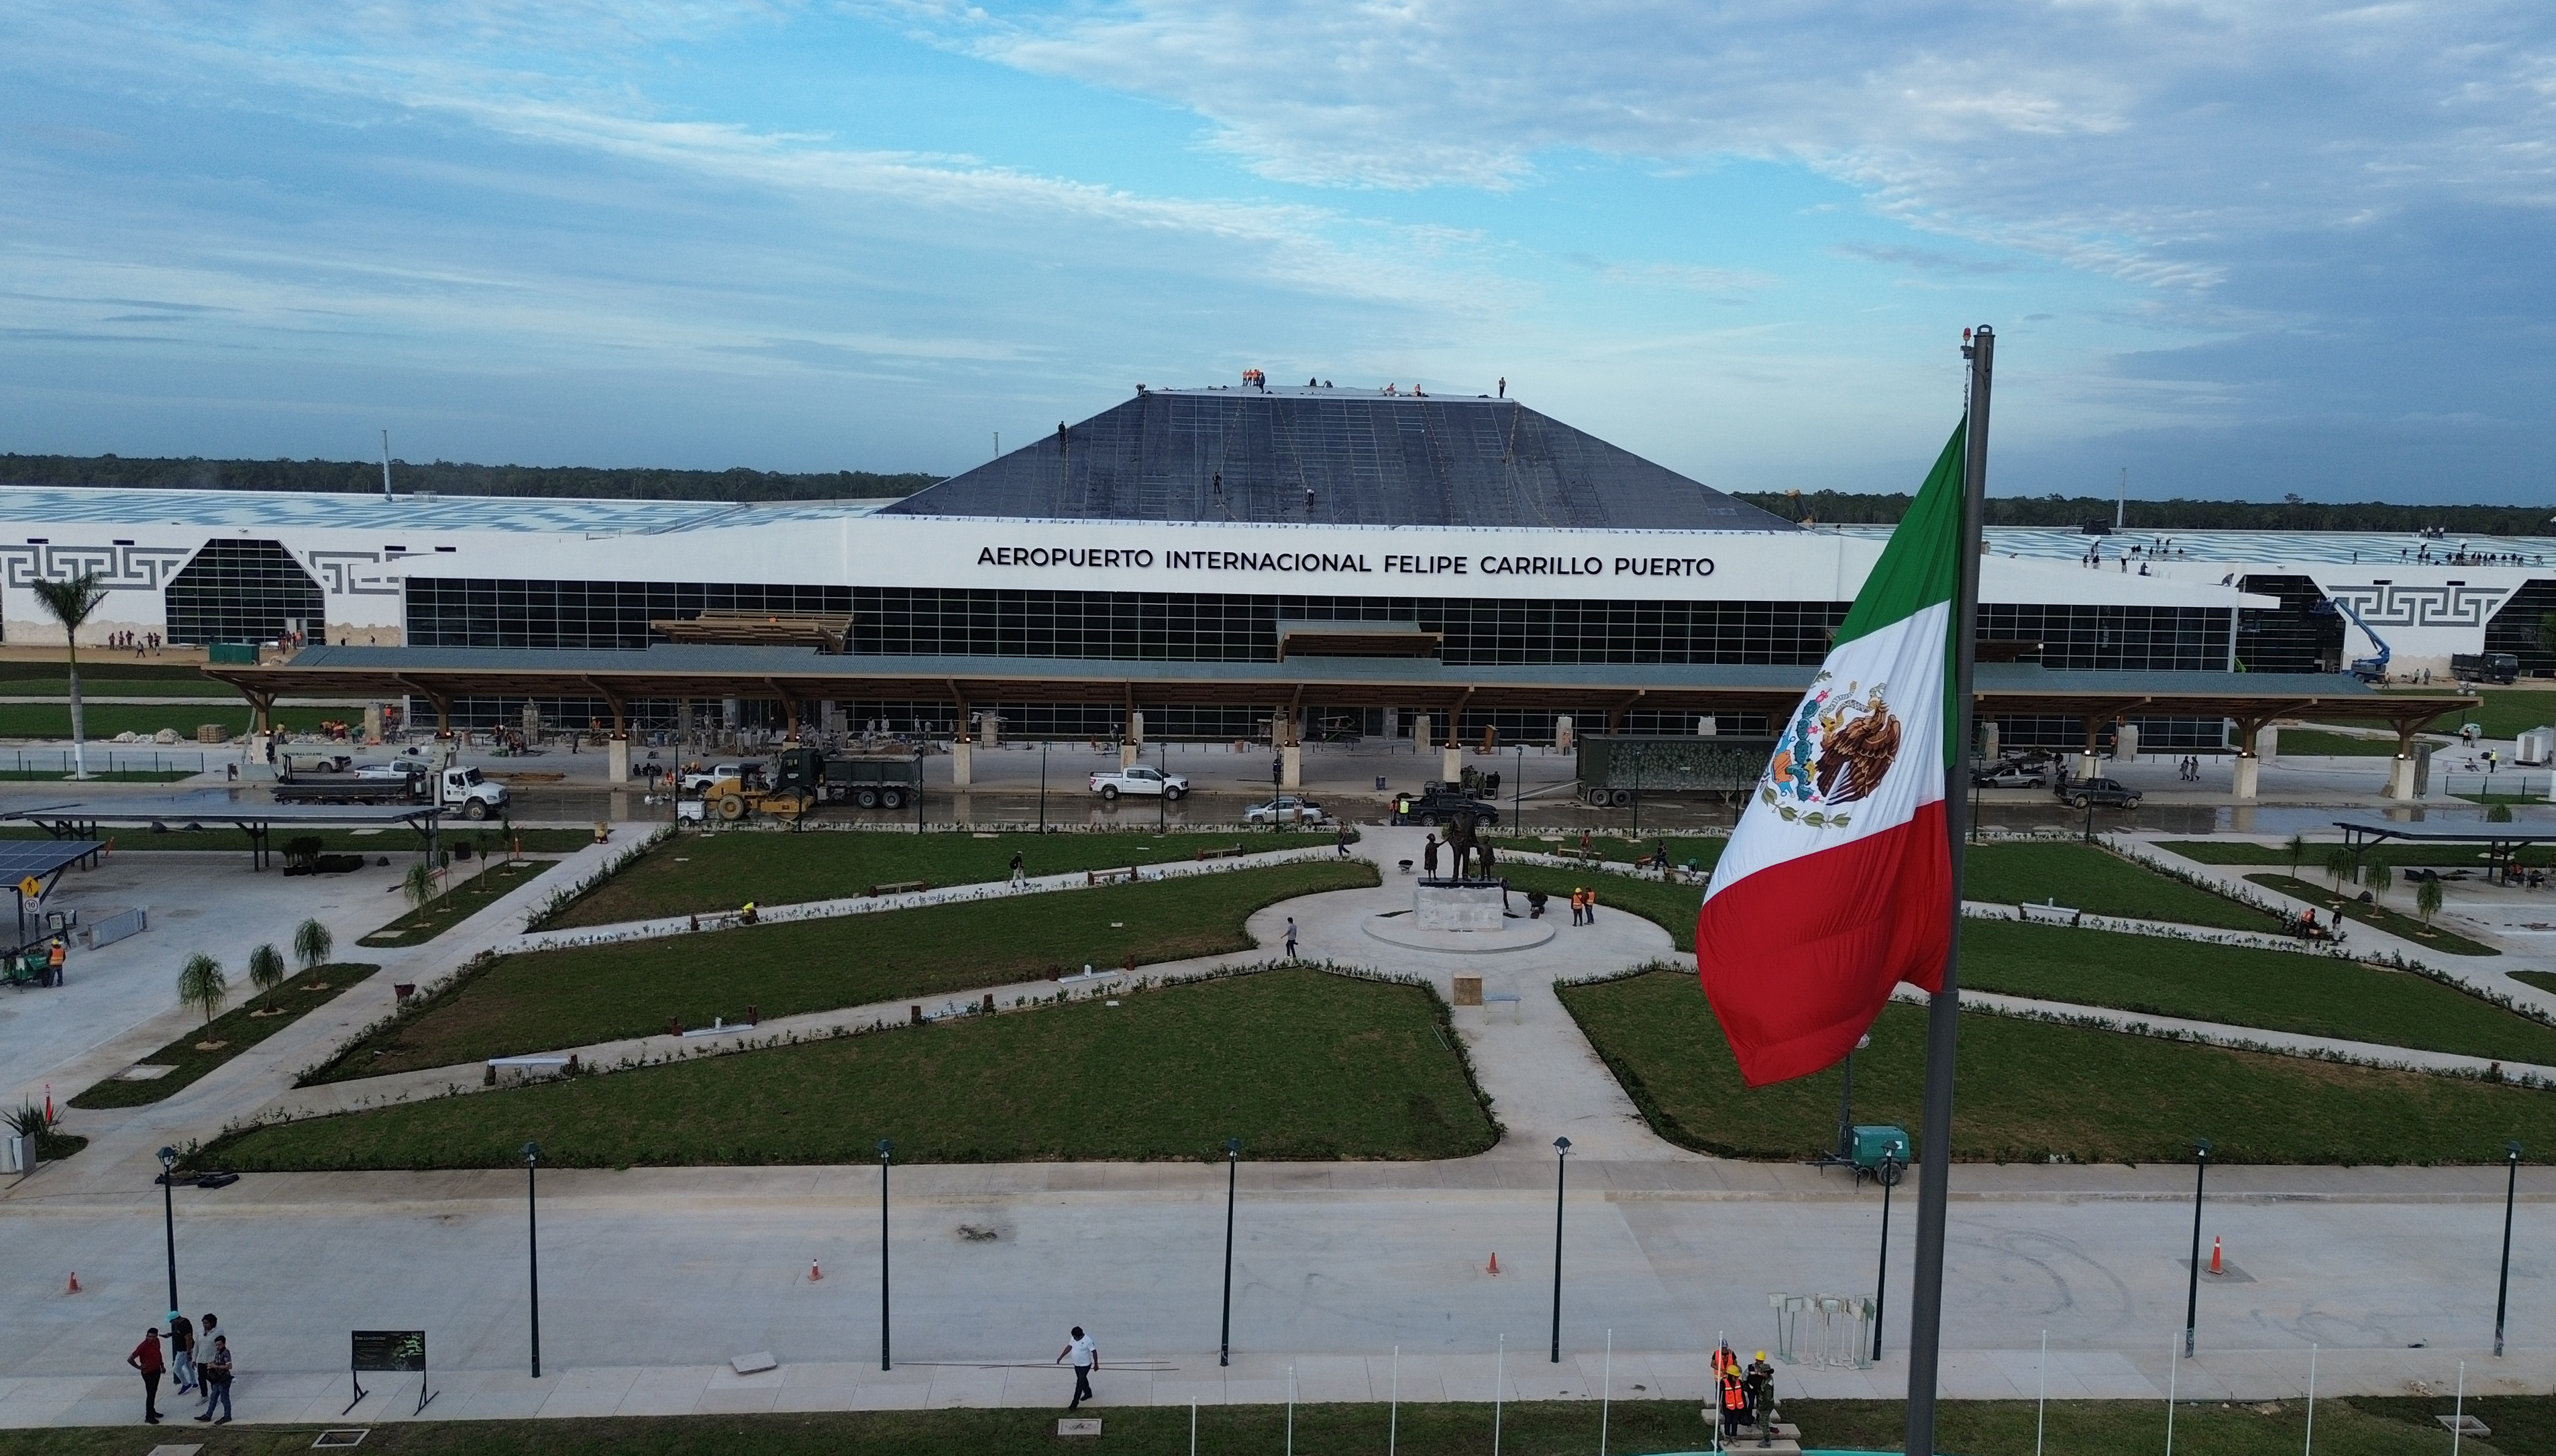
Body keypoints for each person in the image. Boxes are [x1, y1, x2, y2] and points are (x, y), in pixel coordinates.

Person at [127, 1328, 164, 1423]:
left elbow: (159, 1353)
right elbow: (130, 1359)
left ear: (157, 1336)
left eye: (153, 1336)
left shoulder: (157, 1342)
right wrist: (139, 1367)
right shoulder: (143, 1346)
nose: (151, 1338)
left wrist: (162, 1365)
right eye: (149, 1336)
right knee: (150, 1394)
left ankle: (152, 1411)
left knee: (154, 1391)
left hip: (156, 1370)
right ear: (146, 1336)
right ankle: (149, 1416)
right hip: (148, 1373)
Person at [1057, 1326, 1098, 1410]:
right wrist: (1061, 1357)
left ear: (1079, 1336)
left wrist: (1096, 1365)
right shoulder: (1073, 1338)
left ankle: (1074, 1403)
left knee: (1079, 1384)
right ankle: (1088, 1393)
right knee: (1082, 1379)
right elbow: (1069, 1347)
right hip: (1077, 1365)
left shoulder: (1088, 1341)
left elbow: (1094, 1352)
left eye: (1075, 1337)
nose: (1073, 1338)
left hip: (1085, 1365)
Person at [195, 1334, 233, 1424]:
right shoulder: (217, 1352)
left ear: (224, 1344)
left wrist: (215, 1366)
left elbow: (229, 1366)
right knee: (213, 1397)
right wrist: (212, 1364)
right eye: (216, 1345)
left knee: (224, 1398)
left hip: (224, 1379)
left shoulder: (226, 1352)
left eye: (219, 1345)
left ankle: (227, 1416)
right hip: (217, 1379)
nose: (217, 1347)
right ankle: (208, 1415)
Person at [168, 1310, 196, 1396]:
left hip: (183, 1350)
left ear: (176, 1320)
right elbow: (179, 1333)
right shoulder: (183, 1323)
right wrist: (170, 1334)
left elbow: (189, 1338)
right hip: (184, 1349)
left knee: (176, 1369)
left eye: (171, 1321)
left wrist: (188, 1352)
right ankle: (194, 1382)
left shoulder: (183, 1326)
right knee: (189, 1366)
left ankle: (186, 1384)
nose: (171, 1323)